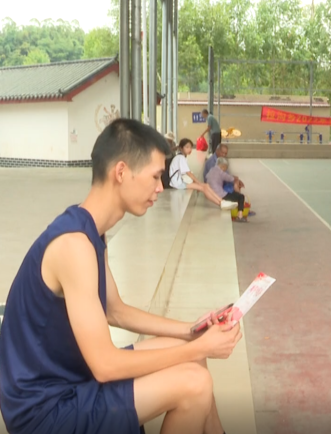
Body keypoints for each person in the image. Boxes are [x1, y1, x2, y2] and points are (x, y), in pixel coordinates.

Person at [0, 119, 243, 434]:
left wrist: (191, 331)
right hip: (46, 410)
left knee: (192, 360)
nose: (160, 187)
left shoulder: (88, 229)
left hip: (72, 380)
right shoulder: (74, 246)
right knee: (195, 383)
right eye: (155, 176)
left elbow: (116, 311)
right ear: (121, 172)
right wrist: (201, 347)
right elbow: (104, 366)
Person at [169, 138, 236, 210]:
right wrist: (198, 183)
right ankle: (221, 203)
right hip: (178, 183)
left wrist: (197, 183)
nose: (190, 149)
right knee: (203, 187)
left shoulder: (181, 157)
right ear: (181, 148)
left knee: (206, 186)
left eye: (191, 147)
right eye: (187, 147)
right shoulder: (181, 158)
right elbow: (188, 173)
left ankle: (222, 201)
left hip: (179, 181)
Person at [206, 157, 255, 222]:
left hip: (211, 193)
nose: (225, 170)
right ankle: (240, 216)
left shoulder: (211, 170)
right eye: (226, 168)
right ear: (223, 166)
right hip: (220, 195)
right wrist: (237, 180)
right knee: (241, 196)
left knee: (231, 192)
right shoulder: (221, 172)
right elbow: (231, 179)